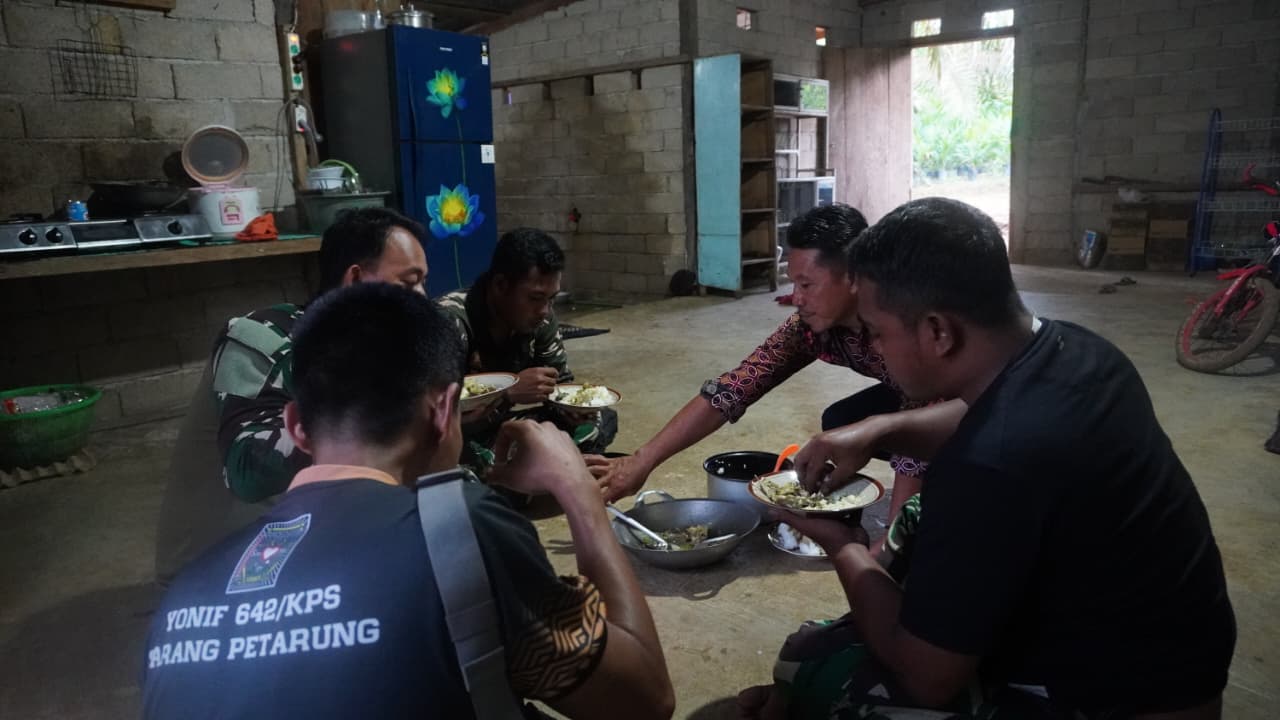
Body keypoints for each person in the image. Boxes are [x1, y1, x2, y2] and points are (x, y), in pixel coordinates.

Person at [740, 197, 1235, 719]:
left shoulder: (985, 468)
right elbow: (982, 414)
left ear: (938, 331)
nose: (875, 350)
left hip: (1117, 701)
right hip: (1180, 660)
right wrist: (877, 429)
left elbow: (929, 680)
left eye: (879, 333)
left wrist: (844, 546)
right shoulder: (1079, 350)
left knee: (810, 668)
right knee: (855, 611)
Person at [142, 283, 675, 720]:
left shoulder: (189, 591)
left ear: (297, 427)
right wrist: (577, 492)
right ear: (445, 410)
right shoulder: (458, 530)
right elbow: (644, 701)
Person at [593, 204, 941, 531]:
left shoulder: (901, 320)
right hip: (913, 400)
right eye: (794, 283)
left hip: (961, 408)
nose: (796, 298)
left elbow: (925, 406)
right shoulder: (809, 328)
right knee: (841, 422)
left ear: (853, 277)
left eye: (807, 285)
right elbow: (735, 388)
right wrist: (642, 460)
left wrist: (893, 544)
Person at [154, 208, 430, 584]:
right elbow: (249, 471)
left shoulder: (369, 350)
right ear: (355, 280)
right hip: (218, 574)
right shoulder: (261, 338)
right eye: (409, 284)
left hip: (304, 542)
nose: (422, 299)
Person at [436, 227, 617, 473]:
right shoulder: (449, 322)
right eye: (535, 298)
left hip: (501, 429)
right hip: (455, 437)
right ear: (500, 285)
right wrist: (508, 393)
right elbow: (427, 418)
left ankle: (536, 470)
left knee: (601, 419)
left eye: (551, 299)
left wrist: (570, 408)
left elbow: (560, 383)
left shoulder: (540, 319)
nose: (544, 310)